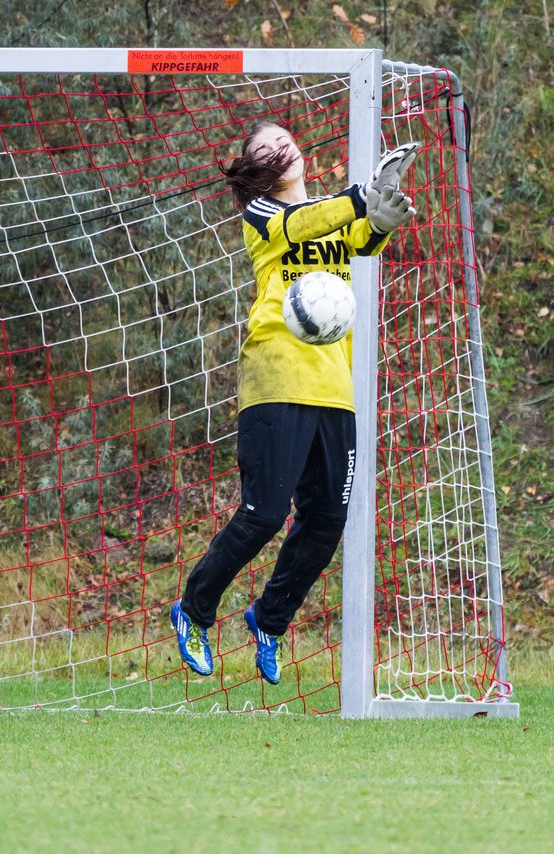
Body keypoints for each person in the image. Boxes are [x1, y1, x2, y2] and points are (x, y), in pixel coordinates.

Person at [170, 123, 417, 684]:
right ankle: (194, 610)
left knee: (328, 519)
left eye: (285, 142)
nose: (280, 152)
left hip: (334, 385)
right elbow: (302, 223)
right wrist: (360, 197)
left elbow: (356, 240)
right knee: (263, 514)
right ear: (255, 169)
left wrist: (378, 223)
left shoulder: (327, 212)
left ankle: (270, 621)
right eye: (265, 150)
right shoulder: (262, 214)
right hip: (275, 378)